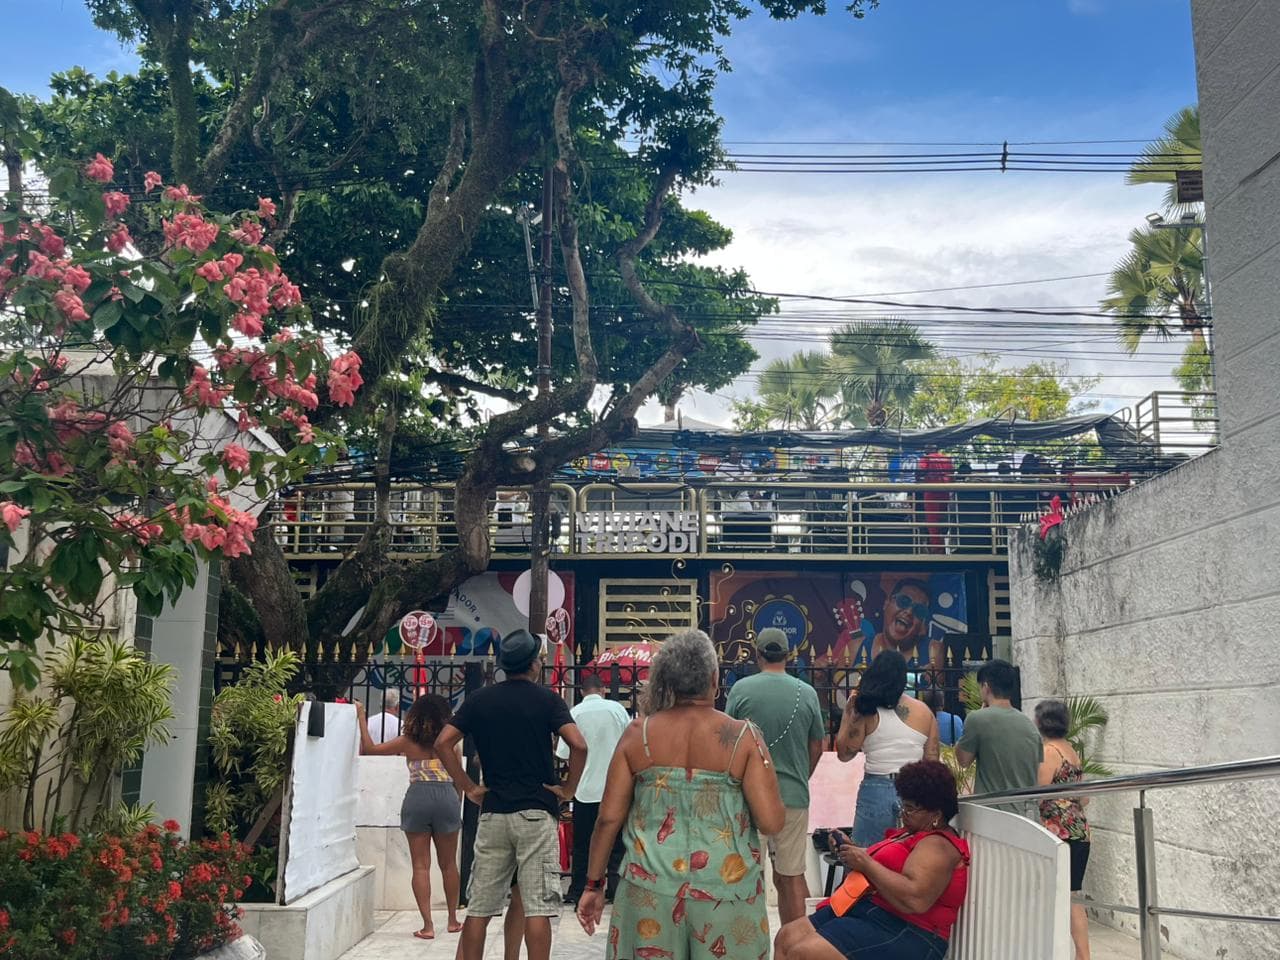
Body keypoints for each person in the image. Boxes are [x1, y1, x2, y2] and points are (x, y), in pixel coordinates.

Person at [575, 629, 784, 959]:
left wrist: (593, 885)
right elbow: (772, 821)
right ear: (714, 678)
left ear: (666, 680)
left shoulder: (637, 735)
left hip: (648, 892)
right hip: (726, 895)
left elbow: (608, 819)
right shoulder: (744, 738)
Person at [435, 630, 587, 960]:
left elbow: (443, 742)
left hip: (493, 811)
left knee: (479, 909)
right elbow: (579, 745)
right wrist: (569, 789)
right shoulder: (548, 700)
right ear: (534, 664)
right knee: (537, 907)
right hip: (536, 811)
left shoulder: (480, 700)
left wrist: (469, 787)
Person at [774, 760, 969, 960]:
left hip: (911, 932)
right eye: (904, 805)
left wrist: (866, 863)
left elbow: (915, 899)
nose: (903, 813)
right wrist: (853, 851)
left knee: (804, 953)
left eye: (910, 809)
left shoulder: (938, 846)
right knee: (786, 937)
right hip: (874, 912)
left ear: (936, 814)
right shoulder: (911, 833)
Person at [725, 627, 826, 925]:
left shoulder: (742, 690)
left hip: (749, 798)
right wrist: (800, 775)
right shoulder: (806, 692)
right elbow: (817, 746)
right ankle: (795, 946)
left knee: (746, 874)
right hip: (792, 796)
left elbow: (730, 741)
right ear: (788, 655)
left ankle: (747, 943)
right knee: (792, 875)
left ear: (757, 655)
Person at [356, 693, 462, 939]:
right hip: (447, 798)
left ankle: (427, 926)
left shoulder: (406, 742)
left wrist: (361, 716)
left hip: (417, 799)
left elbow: (370, 749)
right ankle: (453, 920)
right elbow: (458, 779)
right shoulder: (452, 744)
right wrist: (455, 804)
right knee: (448, 865)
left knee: (420, 866)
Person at [836, 651, 940, 846]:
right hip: (914, 789)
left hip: (877, 787)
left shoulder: (866, 710)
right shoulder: (925, 712)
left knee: (867, 856)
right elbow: (932, 760)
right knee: (908, 855)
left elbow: (845, 753)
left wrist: (848, 713)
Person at [556, 673, 630, 904]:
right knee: (617, 843)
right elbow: (630, 744)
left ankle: (578, 889)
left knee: (583, 844)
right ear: (603, 689)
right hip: (615, 788)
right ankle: (615, 888)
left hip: (584, 789)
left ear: (581, 692)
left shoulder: (575, 713)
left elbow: (563, 753)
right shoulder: (617, 710)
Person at [1035, 699, 1091, 960]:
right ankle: (1082, 954)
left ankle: (1070, 954)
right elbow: (1084, 797)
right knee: (1072, 896)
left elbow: (1039, 792)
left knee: (1061, 896)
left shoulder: (1049, 752)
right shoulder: (1071, 751)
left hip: (1059, 831)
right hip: (1079, 828)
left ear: (1041, 722)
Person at [953, 659, 1042, 817]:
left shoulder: (978, 719)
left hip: (995, 815)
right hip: (1029, 815)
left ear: (986, 686)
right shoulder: (1030, 725)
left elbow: (963, 760)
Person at [869, 579, 943, 672]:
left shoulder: (933, 652)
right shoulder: (855, 648)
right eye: (904, 601)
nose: (909, 612)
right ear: (886, 603)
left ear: (923, 626)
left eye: (919, 610)